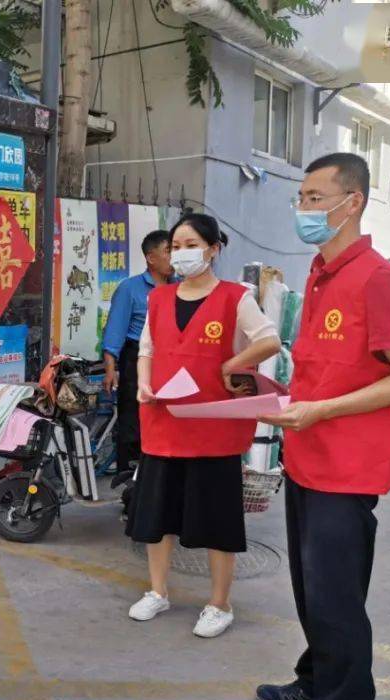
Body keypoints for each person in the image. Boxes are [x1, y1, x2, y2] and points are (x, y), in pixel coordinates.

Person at [256, 153, 390, 700]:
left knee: (335, 598)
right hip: (308, 455)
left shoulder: (376, 278)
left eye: (313, 197)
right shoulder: (323, 271)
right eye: (300, 196)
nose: (303, 208)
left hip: (346, 467)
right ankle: (315, 679)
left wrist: (322, 413)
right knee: (308, 589)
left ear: (351, 202)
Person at [126, 213, 280, 638]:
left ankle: (219, 603)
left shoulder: (235, 297)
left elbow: (269, 339)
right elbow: (148, 349)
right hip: (164, 421)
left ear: (213, 249)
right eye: (176, 246)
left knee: (217, 521)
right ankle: (157, 591)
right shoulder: (160, 298)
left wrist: (233, 363)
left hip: (213, 428)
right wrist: (142, 382)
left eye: (191, 244)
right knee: (157, 517)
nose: (181, 253)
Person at [102, 229, 173, 473]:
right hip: (135, 360)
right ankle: (129, 489)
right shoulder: (130, 289)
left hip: (169, 360)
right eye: (168, 251)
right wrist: (111, 368)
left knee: (165, 420)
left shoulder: (180, 288)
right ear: (151, 258)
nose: (174, 256)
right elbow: (115, 331)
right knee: (133, 422)